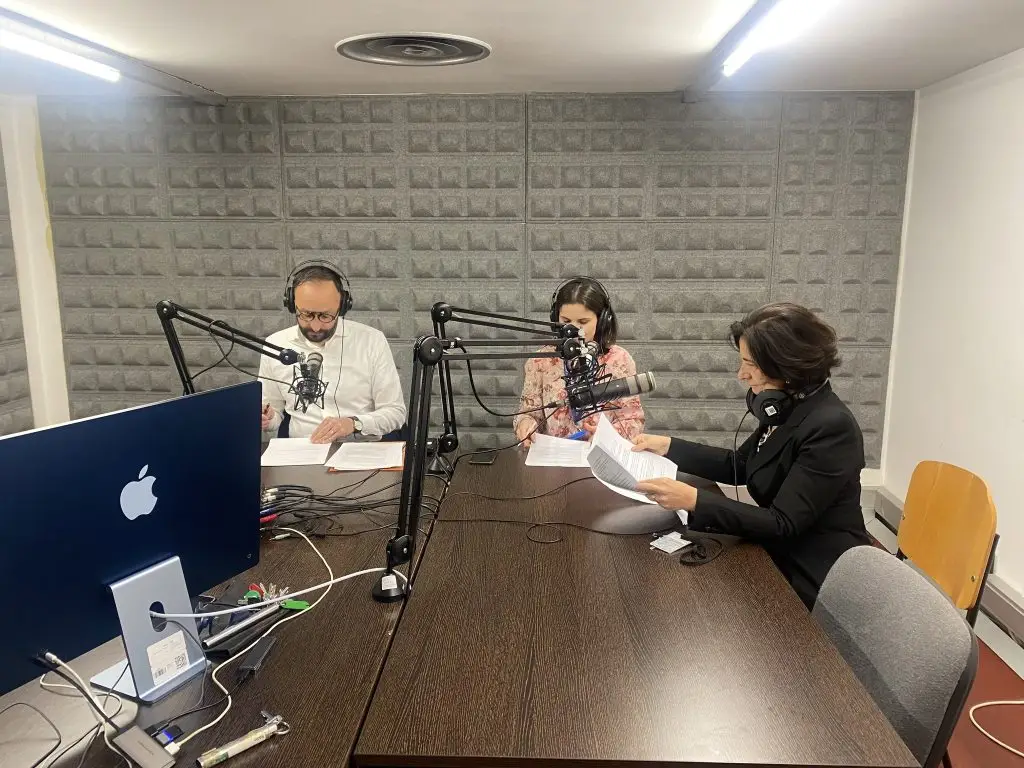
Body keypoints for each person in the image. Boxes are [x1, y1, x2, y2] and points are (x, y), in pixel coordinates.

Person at [632, 302, 871, 609]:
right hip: (773, 551)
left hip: (815, 572)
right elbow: (742, 465)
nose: (741, 375)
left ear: (787, 365)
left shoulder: (831, 427)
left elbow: (784, 523)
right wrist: (668, 445)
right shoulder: (784, 407)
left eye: (751, 364)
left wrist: (694, 500)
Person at [259, 259, 406, 444]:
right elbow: (274, 415)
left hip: (359, 453)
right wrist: (267, 418)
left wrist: (353, 424)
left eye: (325, 315)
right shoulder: (275, 345)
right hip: (302, 455)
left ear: (343, 306)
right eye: (306, 314)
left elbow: (395, 413)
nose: (315, 325)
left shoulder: (371, 341)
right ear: (291, 304)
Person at [514, 276, 644, 446]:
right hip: (554, 463)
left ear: (602, 320)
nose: (573, 329)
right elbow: (529, 413)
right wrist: (525, 425)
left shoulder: (620, 359)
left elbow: (634, 420)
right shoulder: (540, 361)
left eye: (583, 322)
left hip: (603, 459)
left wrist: (607, 437)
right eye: (566, 321)